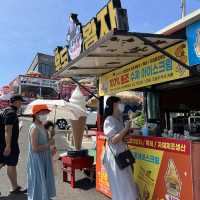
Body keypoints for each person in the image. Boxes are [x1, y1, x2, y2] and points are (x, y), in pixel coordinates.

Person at [103, 96, 138, 200]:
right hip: (115, 158)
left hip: (122, 155)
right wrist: (126, 128)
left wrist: (125, 137)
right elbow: (113, 140)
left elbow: (120, 137)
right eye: (120, 103)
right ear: (115, 105)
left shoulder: (119, 119)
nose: (122, 105)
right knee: (121, 186)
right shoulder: (109, 120)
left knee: (127, 185)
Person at [27, 104, 56, 200]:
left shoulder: (42, 126)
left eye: (46, 113)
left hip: (44, 157)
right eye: (42, 113)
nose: (45, 115)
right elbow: (34, 148)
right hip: (37, 159)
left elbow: (46, 142)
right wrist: (49, 145)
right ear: (35, 115)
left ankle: (43, 196)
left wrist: (51, 136)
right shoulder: (34, 128)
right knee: (38, 180)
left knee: (44, 179)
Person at [0, 94, 26, 194]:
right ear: (16, 102)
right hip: (9, 145)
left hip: (4, 143)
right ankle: (14, 188)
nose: (21, 104)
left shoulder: (5, 110)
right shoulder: (11, 113)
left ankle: (14, 187)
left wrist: (18, 128)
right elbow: (7, 129)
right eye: (20, 102)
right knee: (11, 164)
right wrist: (8, 146)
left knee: (5, 163)